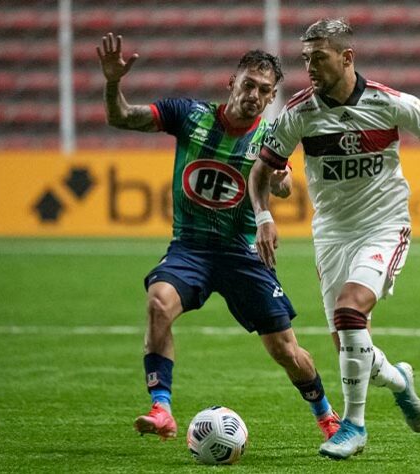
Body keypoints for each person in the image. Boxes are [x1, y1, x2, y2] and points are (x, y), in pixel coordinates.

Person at [249, 18, 420, 460]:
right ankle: (399, 379)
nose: (310, 67)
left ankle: (354, 426)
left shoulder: (391, 104)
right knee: (350, 344)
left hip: (384, 227)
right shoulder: (298, 114)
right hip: (331, 235)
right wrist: (264, 215)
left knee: (349, 310)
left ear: (347, 57)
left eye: (318, 58)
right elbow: (261, 171)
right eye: (305, 59)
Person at [96, 32, 340, 442]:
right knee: (159, 302)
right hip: (190, 248)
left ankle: (326, 415)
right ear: (232, 83)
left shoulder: (270, 137)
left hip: (242, 254)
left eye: (265, 91)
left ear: (272, 96)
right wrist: (112, 82)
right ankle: (162, 409)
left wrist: (279, 180)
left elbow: (282, 186)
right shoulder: (189, 115)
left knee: (285, 350)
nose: (255, 95)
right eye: (249, 85)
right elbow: (121, 117)